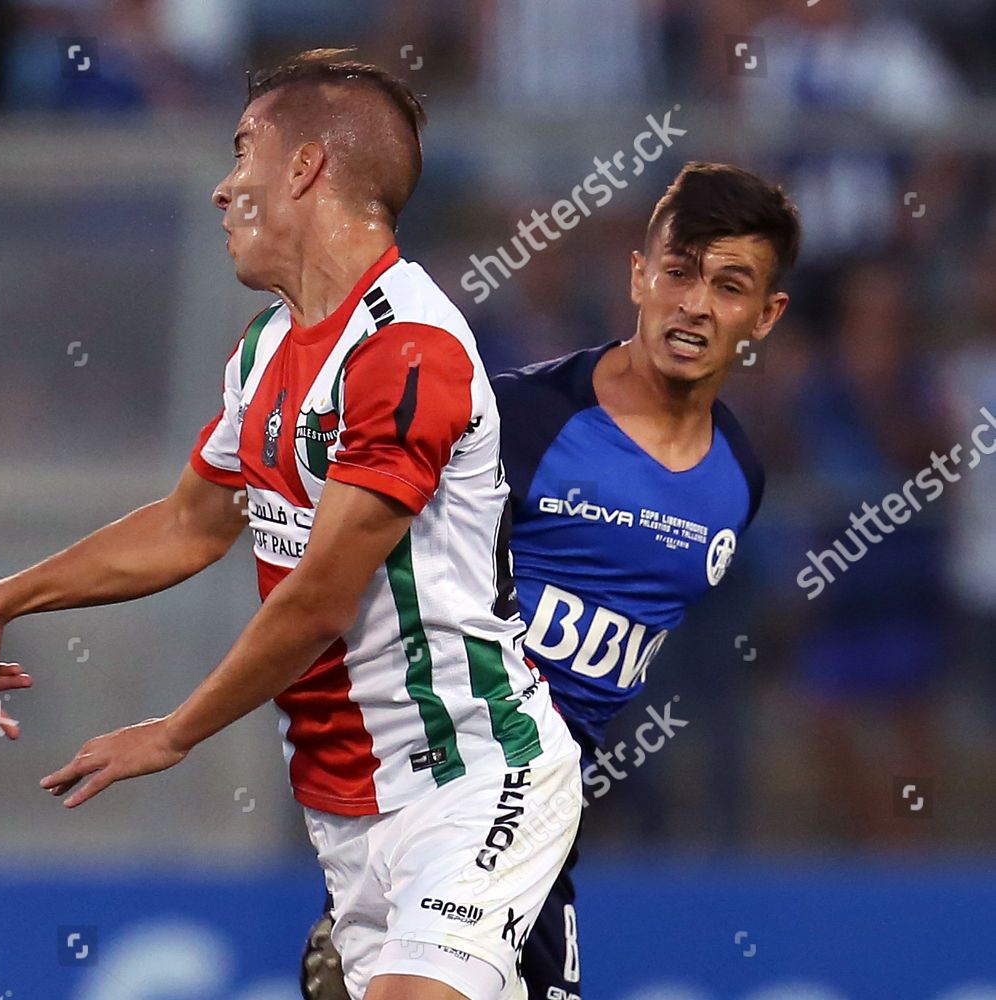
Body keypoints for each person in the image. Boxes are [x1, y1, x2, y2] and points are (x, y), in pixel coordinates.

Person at [0, 48, 581, 1000]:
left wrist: (175, 732)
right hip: (344, 809)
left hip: (473, 775)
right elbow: (192, 524)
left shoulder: (408, 351)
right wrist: (8, 596)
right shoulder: (268, 347)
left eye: (244, 152)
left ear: (307, 168)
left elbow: (322, 596)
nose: (222, 188)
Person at [302, 162, 801, 999]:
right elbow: (362, 567)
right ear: (639, 276)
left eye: (730, 285)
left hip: (548, 819)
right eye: (678, 272)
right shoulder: (515, 420)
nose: (696, 305)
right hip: (454, 805)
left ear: (766, 315)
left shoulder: (739, 480)